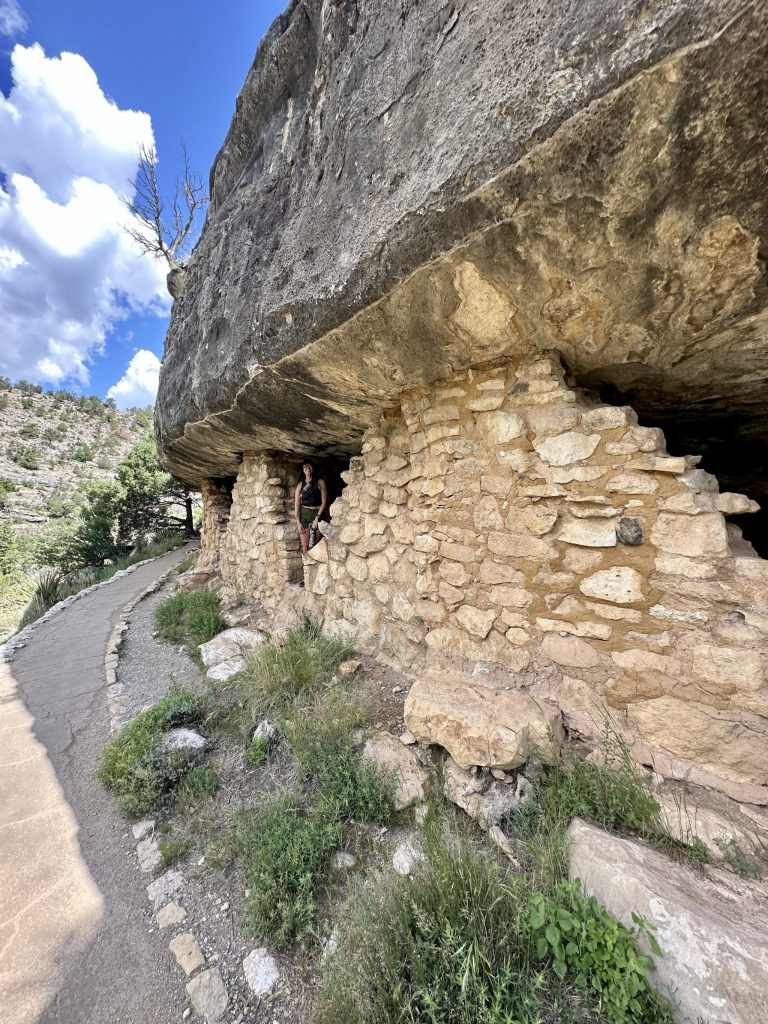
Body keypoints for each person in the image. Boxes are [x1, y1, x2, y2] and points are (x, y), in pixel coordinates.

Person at [294, 460, 328, 553]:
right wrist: (298, 521)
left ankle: (316, 566)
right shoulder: (300, 485)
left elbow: (324, 502)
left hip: (317, 514)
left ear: (312, 469)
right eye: (305, 468)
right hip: (304, 516)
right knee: (305, 545)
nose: (307, 469)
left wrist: (317, 518)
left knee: (316, 545)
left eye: (309, 467)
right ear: (303, 470)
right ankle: (307, 565)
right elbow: (297, 504)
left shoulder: (319, 482)